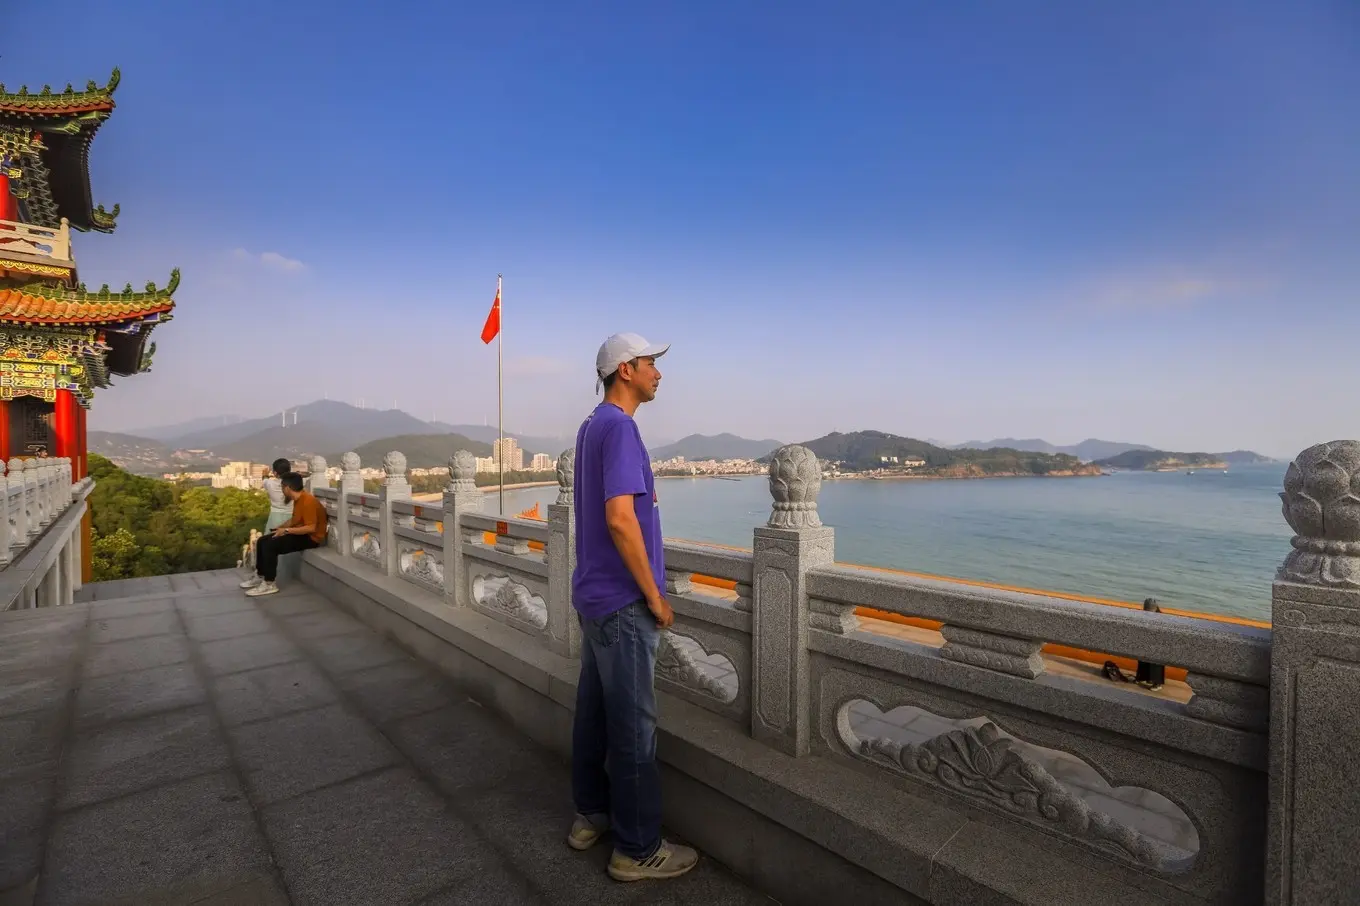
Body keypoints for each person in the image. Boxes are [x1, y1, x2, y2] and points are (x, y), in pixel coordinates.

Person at [565, 332, 698, 882]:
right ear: (626, 369)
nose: (658, 373)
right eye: (651, 364)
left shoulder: (590, 425)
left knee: (594, 713)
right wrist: (654, 595)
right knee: (635, 726)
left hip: (593, 595)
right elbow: (621, 518)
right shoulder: (619, 428)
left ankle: (590, 816)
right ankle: (637, 848)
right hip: (622, 601)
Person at [240, 472, 327, 597]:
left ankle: (270, 583)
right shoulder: (298, 499)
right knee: (262, 541)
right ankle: (260, 575)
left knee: (271, 545)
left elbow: (310, 528)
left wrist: (286, 531)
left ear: (287, 487)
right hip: (301, 533)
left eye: (282, 487)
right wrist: (280, 528)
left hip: (311, 538)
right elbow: (294, 520)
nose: (281, 490)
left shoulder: (308, 501)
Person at [263, 458, 294, 532]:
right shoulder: (295, 484)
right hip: (291, 518)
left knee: (272, 540)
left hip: (274, 518)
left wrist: (265, 474)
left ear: (275, 473)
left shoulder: (270, 484)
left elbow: (264, 479)